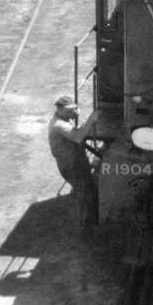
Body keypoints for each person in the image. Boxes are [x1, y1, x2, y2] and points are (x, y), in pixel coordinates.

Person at [48, 96, 97, 228]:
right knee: (83, 193)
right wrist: (91, 120)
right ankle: (84, 225)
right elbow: (78, 137)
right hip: (70, 165)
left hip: (75, 160)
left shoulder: (64, 117)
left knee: (87, 188)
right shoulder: (59, 124)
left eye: (73, 109)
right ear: (59, 110)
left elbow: (76, 118)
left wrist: (76, 113)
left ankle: (89, 218)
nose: (73, 112)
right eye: (69, 110)